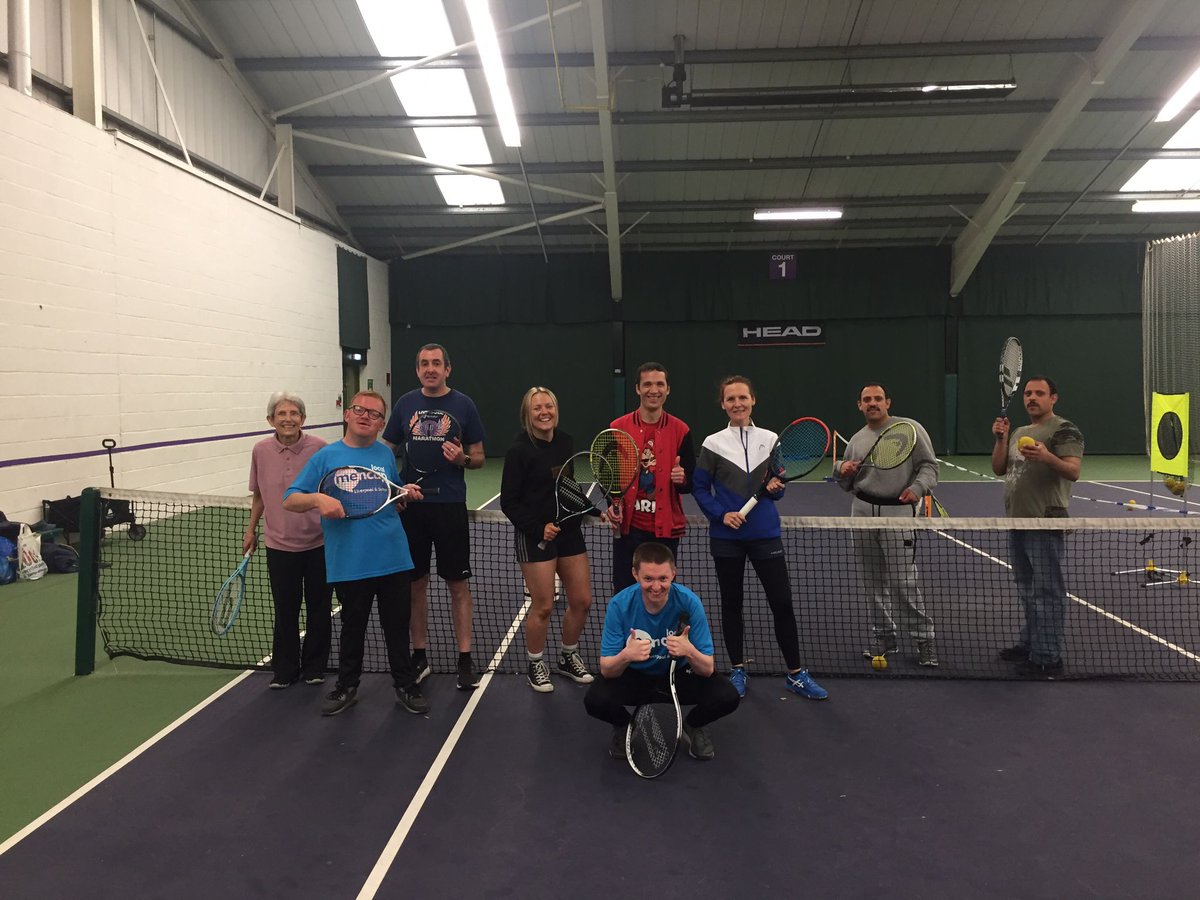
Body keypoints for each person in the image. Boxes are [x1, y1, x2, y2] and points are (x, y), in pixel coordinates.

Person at [283, 390, 429, 716]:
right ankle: (347, 687)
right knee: (353, 629)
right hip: (350, 563)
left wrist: (403, 492)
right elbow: (290, 499)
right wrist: (319, 500)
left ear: (380, 424)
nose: (366, 416)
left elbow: (388, 494)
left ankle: (405, 685)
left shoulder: (385, 456)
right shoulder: (325, 457)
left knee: (396, 629)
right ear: (347, 414)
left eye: (375, 414)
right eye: (360, 410)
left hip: (393, 557)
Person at [692, 376, 829, 701]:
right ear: (722, 404)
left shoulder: (771, 439)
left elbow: (779, 485)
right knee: (731, 603)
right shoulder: (712, 443)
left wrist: (776, 489)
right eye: (730, 399)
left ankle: (796, 674)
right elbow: (699, 487)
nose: (737, 403)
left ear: (753, 400)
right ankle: (738, 669)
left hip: (765, 534)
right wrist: (720, 514)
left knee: (781, 603)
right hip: (726, 536)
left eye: (743, 397)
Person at [382, 343, 486, 692]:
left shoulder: (464, 405)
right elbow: (386, 450)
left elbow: (479, 458)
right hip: (413, 507)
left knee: (458, 585)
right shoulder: (405, 404)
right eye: (424, 363)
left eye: (436, 363)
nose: (430, 369)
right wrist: (393, 486)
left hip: (450, 507)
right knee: (416, 584)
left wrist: (462, 461)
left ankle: (465, 659)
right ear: (417, 370)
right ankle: (420, 655)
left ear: (447, 369)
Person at [584, 542, 740, 761]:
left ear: (673, 574)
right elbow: (607, 669)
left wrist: (689, 651)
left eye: (663, 579)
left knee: (727, 696)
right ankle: (625, 726)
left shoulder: (689, 603)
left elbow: (707, 669)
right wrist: (626, 655)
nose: (656, 587)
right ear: (635, 574)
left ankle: (693, 725)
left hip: (678, 677)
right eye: (648, 579)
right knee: (595, 700)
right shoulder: (619, 605)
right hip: (636, 678)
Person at [834, 383, 940, 667]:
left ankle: (923, 640)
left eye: (877, 399)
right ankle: (884, 637)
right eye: (867, 400)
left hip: (899, 513)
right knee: (873, 581)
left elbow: (930, 466)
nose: (872, 403)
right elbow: (845, 483)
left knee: (903, 581)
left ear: (887, 402)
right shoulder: (856, 440)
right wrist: (840, 470)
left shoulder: (910, 430)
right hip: (861, 511)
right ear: (859, 405)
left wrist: (918, 488)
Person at [499, 387, 595, 693]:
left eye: (548, 406)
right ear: (527, 414)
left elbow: (567, 485)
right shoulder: (519, 451)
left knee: (581, 601)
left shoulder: (565, 441)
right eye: (537, 408)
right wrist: (538, 528)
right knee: (543, 605)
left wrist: (592, 511)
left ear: (556, 409)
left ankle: (568, 657)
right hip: (534, 537)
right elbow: (509, 502)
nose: (544, 412)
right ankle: (535, 663)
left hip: (568, 533)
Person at [991, 376, 1084, 677]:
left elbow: (1073, 471)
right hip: (1017, 521)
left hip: (1045, 520)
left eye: (1039, 393)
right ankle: (1029, 643)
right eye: (1028, 393)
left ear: (1053, 398)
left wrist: (1046, 456)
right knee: (1027, 589)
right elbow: (998, 468)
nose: (1032, 398)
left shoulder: (1064, 429)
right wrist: (1001, 439)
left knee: (1048, 591)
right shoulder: (1019, 431)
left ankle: (1047, 656)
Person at [243, 392, 332, 689]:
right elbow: (259, 495)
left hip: (319, 544)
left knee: (319, 607)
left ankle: (316, 667)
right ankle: (285, 669)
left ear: (303, 419)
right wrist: (251, 529)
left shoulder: (320, 449)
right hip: (279, 546)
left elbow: (331, 491)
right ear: (271, 420)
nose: (288, 419)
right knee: (285, 608)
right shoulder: (260, 451)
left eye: (294, 413)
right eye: (281, 414)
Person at [608, 362, 696, 592]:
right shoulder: (617, 428)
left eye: (659, 384)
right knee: (625, 592)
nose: (653, 390)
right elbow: (608, 477)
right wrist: (612, 504)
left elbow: (690, 483)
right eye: (647, 384)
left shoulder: (681, 430)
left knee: (660, 593)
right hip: (629, 530)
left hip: (664, 530)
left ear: (668, 389)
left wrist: (682, 479)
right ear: (637, 388)